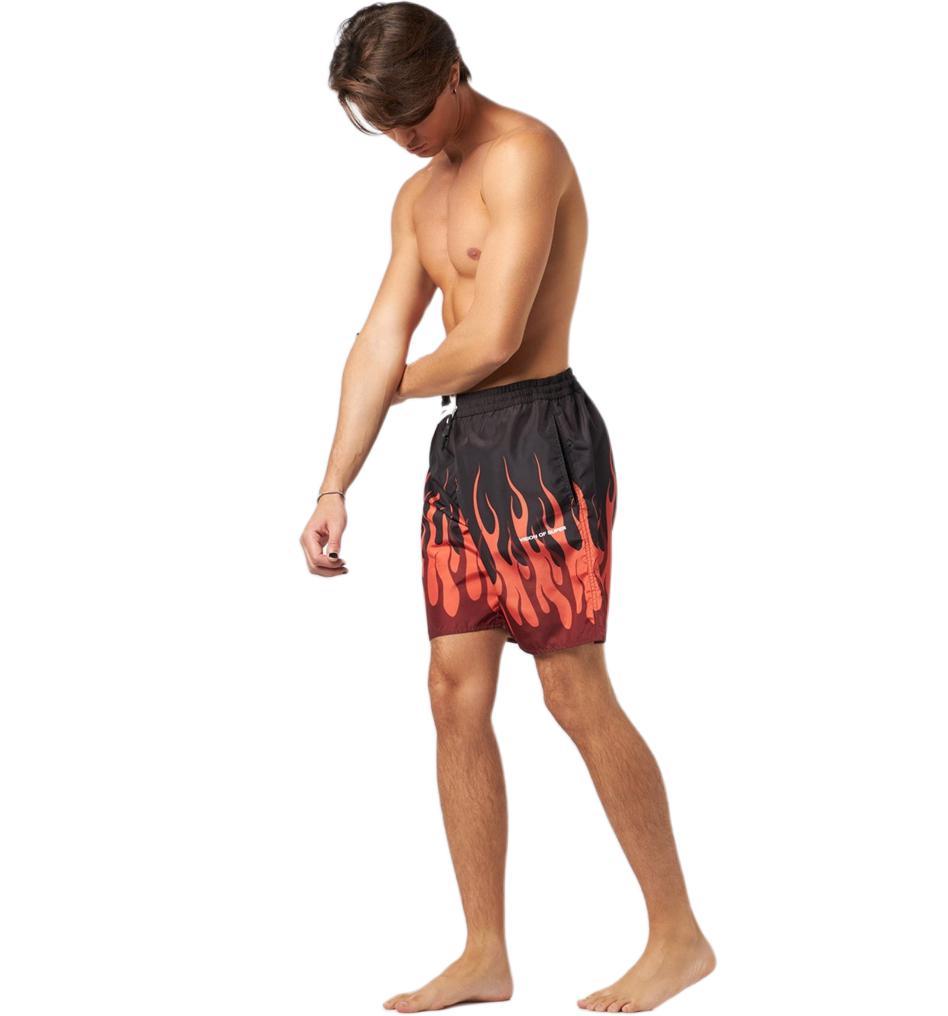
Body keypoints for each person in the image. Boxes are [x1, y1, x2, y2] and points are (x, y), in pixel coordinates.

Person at [300, 4, 715, 1012]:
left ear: (452, 72)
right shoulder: (415, 197)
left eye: (409, 114)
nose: (401, 136)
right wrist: (333, 484)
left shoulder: (528, 153)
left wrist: (385, 388)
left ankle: (678, 936)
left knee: (571, 690)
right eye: (381, 123)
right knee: (452, 693)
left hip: (541, 439)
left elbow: (491, 340)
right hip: (463, 450)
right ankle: (484, 951)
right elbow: (378, 338)